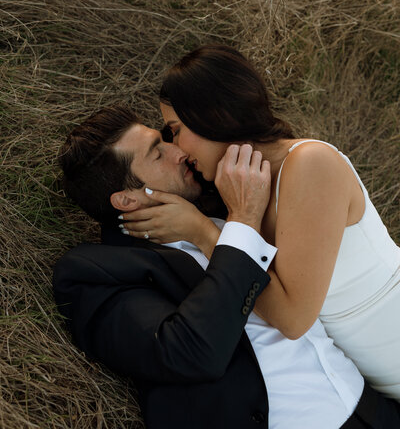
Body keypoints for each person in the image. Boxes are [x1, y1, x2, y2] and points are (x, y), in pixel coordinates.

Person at [53, 105, 400, 429]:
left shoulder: (221, 209)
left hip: (373, 410)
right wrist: (241, 225)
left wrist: (224, 223)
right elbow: (189, 352)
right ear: (127, 199)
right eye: (158, 152)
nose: (179, 151)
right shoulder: (98, 271)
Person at [120, 44, 400, 403]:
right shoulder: (235, 190)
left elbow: (293, 319)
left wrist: (205, 234)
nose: (177, 146)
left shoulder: (310, 165)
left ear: (213, 113)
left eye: (176, 129)